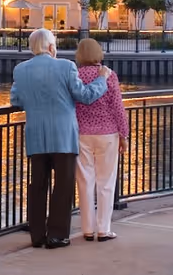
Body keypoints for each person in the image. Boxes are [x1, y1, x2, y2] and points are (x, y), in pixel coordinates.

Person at [10, 28, 112, 249]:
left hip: (36, 135)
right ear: (51, 46)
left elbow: (15, 100)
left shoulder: (20, 70)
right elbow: (85, 96)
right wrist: (102, 79)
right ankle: (57, 236)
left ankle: (37, 235)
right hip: (64, 136)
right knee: (62, 186)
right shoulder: (66, 66)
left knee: (37, 185)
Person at [73, 38, 130, 243]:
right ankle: (103, 229)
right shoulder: (108, 75)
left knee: (84, 181)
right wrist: (124, 135)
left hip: (81, 134)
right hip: (107, 134)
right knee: (106, 182)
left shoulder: (75, 75)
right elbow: (117, 107)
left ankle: (87, 229)